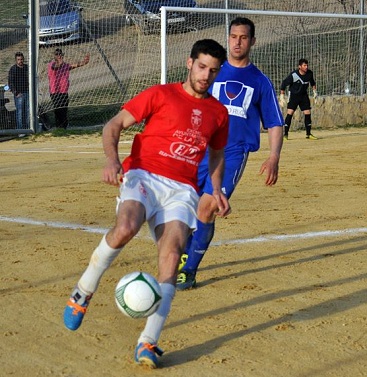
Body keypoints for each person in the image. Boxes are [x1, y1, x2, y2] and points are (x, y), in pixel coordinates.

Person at [63, 39, 230, 369]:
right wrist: (113, 162)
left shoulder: (219, 113)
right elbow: (113, 125)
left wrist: (217, 188)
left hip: (182, 190)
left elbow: (216, 152)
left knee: (172, 255)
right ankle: (83, 291)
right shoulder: (160, 94)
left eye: (213, 70)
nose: (205, 75)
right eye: (201, 67)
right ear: (189, 63)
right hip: (144, 175)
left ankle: (148, 342)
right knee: (125, 228)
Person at [176, 17, 284, 291]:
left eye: (243, 37)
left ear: (252, 42)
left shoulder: (259, 81)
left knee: (208, 206)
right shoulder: (212, 71)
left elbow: (274, 122)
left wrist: (273, 157)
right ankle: (182, 253)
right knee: (183, 208)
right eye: (233, 36)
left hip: (232, 153)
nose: (237, 42)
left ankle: (187, 270)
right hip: (198, 147)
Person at [47, 48, 90, 129]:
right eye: (57, 54)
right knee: (58, 110)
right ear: (54, 56)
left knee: (64, 109)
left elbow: (75, 65)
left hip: (64, 92)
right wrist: (59, 63)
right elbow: (55, 67)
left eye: (60, 54)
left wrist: (84, 62)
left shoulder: (65, 65)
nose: (59, 56)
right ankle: (59, 127)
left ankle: (64, 126)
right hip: (55, 92)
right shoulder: (51, 65)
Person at [279, 58, 318, 140]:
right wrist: (282, 96)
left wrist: (315, 93)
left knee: (307, 112)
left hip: (304, 96)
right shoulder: (294, 75)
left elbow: (313, 83)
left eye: (307, 65)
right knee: (290, 113)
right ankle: (285, 134)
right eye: (304, 65)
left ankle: (308, 134)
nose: (306, 67)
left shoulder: (309, 74)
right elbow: (283, 84)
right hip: (294, 96)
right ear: (299, 66)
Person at [8, 52, 29, 129]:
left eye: (21, 59)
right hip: (19, 94)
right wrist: (16, 93)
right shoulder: (13, 69)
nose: (20, 61)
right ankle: (20, 130)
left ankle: (27, 129)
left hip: (27, 92)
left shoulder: (27, 68)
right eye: (18, 59)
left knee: (27, 112)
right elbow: (10, 82)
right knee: (19, 112)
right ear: (16, 60)